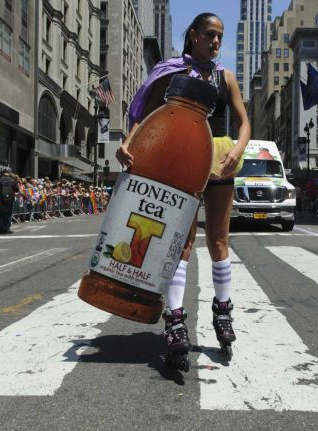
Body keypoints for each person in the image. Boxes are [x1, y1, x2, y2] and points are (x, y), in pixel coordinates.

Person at [117, 12, 251, 363]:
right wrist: (128, 142)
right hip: (182, 162)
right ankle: (175, 318)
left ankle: (223, 311)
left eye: (220, 36)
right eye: (209, 34)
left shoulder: (227, 78)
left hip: (221, 161)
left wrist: (238, 149)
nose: (215, 42)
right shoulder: (172, 72)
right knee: (183, 243)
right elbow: (146, 113)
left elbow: (244, 122)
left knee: (219, 241)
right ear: (193, 36)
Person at [0, 166, 16, 234]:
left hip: (1, 199)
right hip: (10, 199)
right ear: (9, 172)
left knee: (1, 214)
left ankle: (1, 229)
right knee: (8, 214)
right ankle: (7, 228)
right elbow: (17, 189)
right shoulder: (12, 180)